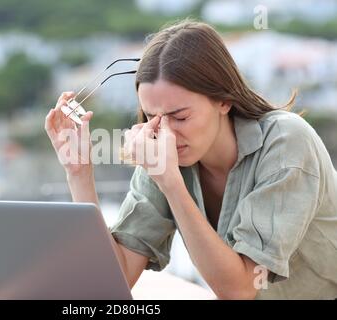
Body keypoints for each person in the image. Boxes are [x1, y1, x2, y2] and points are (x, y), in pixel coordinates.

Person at [44, 19, 337, 299]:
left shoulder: (287, 142)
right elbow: (115, 279)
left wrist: (171, 184)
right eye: (151, 116)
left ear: (224, 100)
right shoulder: (161, 148)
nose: (165, 132)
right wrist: (79, 173)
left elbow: (240, 290)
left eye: (180, 116)